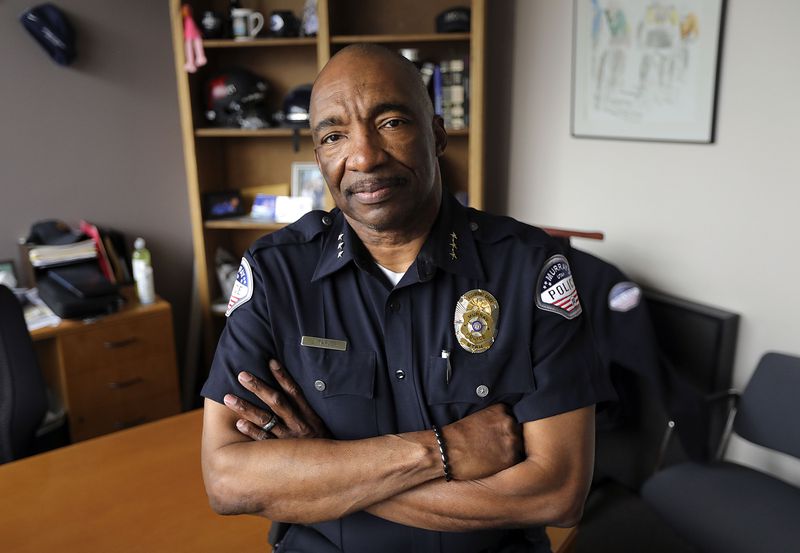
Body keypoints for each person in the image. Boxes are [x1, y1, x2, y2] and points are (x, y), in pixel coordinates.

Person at [200, 43, 613, 553]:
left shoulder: (529, 268)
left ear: (437, 134)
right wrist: (439, 452)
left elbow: (557, 493)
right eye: (334, 136)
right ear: (319, 158)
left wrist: (318, 467)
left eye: (391, 122)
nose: (365, 156)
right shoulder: (274, 273)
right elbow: (227, 481)